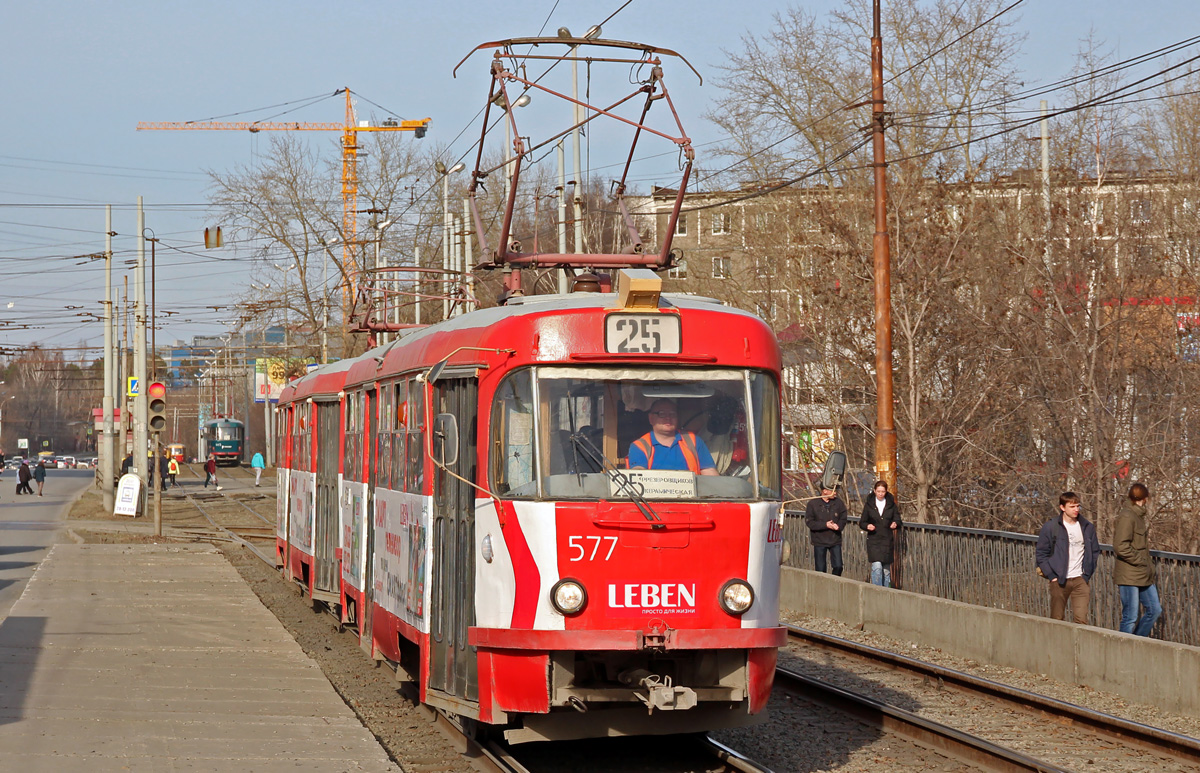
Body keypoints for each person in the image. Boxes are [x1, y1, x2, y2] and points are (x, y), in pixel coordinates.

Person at [1035, 492, 1101, 625]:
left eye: (1078, 506)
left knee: (1081, 621)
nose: (1076, 509)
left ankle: (1079, 646)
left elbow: (1094, 551)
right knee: (1057, 620)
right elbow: (1041, 554)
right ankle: (1058, 645)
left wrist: (1086, 574)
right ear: (1062, 507)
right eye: (1072, 506)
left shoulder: (1086, 527)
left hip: (1080, 580)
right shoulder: (1051, 527)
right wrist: (1052, 575)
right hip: (1059, 580)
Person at [1113, 482, 1162, 637]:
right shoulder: (1128, 516)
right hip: (1130, 574)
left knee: (1155, 610)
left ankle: (1137, 643)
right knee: (1130, 617)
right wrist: (1141, 561)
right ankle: (1124, 651)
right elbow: (1120, 546)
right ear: (1145, 498)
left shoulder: (1137, 515)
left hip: (1142, 574)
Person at [626, 398, 718, 475]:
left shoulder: (694, 441)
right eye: (662, 414)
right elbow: (638, 473)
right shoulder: (639, 446)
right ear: (651, 418)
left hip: (691, 496)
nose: (668, 418)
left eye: (672, 414)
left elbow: (709, 472)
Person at [859, 480, 902, 587]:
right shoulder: (869, 505)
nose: (880, 494)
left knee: (886, 570)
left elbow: (898, 520)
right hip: (874, 540)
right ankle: (877, 590)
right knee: (877, 567)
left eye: (883, 491)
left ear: (886, 492)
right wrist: (867, 526)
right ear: (874, 491)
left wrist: (895, 523)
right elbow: (862, 522)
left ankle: (886, 591)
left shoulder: (891, 504)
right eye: (878, 491)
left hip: (887, 540)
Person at [804, 484, 848, 576]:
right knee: (820, 569)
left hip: (835, 539)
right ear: (824, 491)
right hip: (819, 540)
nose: (835, 493)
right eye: (832, 490)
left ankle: (834, 582)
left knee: (838, 566)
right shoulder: (813, 504)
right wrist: (825, 525)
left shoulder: (838, 503)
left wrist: (838, 526)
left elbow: (843, 518)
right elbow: (810, 522)